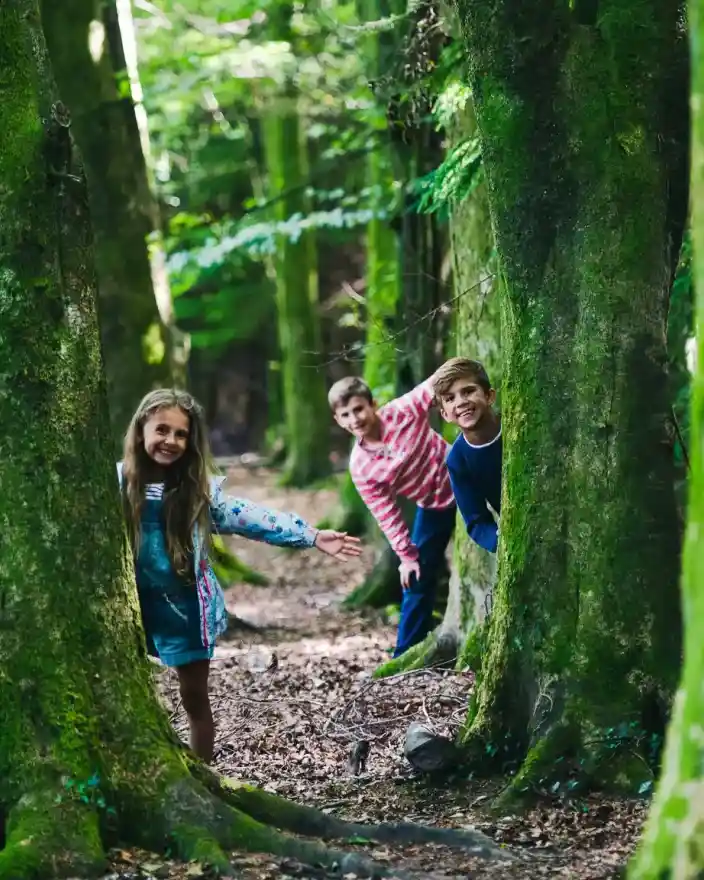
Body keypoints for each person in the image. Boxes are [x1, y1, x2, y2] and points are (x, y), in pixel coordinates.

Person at [118, 388, 361, 763]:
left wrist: (310, 536)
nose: (170, 440)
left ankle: (204, 772)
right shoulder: (116, 484)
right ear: (140, 431)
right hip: (132, 607)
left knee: (194, 697)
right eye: (161, 430)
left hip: (187, 609)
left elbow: (250, 517)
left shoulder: (197, 491)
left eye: (181, 434)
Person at [328, 376, 455, 658]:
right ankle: (407, 651)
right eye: (346, 415)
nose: (355, 419)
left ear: (373, 405)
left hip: (462, 476)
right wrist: (407, 557)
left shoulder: (401, 410)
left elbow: (434, 384)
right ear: (338, 420)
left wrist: (462, 374)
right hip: (434, 504)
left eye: (359, 409)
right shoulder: (361, 467)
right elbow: (386, 514)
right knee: (417, 576)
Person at [431, 358, 501, 553]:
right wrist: (500, 542)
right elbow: (476, 520)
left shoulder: (515, 424)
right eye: (450, 398)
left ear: (489, 396)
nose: (461, 402)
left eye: (468, 391)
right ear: (445, 414)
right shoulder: (458, 460)